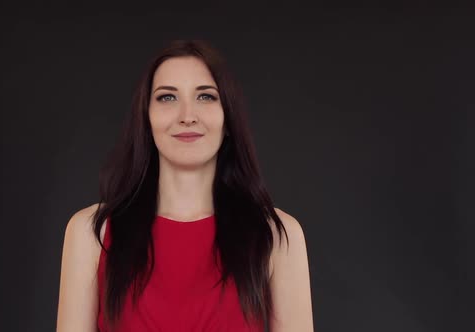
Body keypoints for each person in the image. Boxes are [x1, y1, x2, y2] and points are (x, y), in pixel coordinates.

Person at [56, 40, 314, 332]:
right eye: (167, 98)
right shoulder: (91, 231)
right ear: (146, 118)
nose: (187, 115)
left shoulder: (277, 235)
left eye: (205, 97)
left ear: (228, 118)